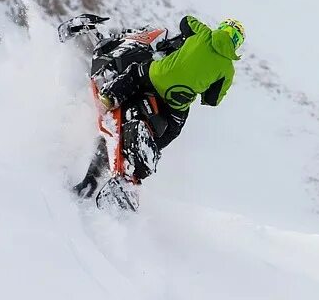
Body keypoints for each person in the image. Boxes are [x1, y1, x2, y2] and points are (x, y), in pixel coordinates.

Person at [73, 15, 245, 198]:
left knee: (135, 73)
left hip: (157, 77)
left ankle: (108, 98)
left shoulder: (203, 33)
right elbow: (212, 100)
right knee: (172, 130)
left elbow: (185, 22)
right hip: (175, 104)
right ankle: (145, 154)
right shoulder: (228, 69)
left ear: (222, 28)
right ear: (237, 43)